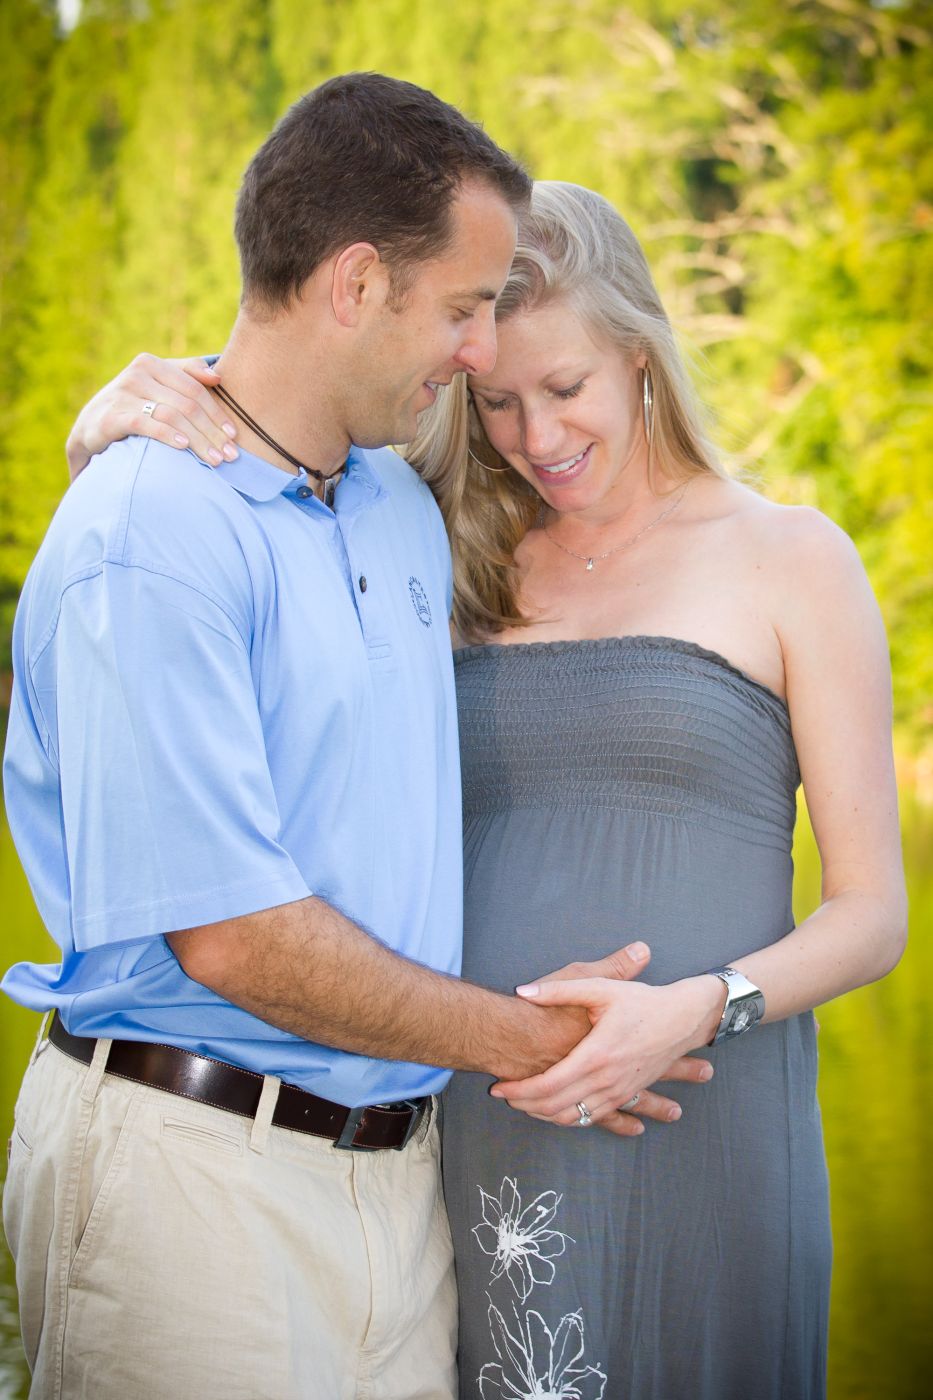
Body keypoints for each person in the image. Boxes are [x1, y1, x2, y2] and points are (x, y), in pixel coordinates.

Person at [72, 180, 907, 1399]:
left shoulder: (790, 555)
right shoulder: (440, 542)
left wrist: (696, 1008)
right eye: (496, 399)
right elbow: (284, 423)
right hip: (494, 1107)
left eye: (565, 388)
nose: (535, 434)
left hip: (704, 1103)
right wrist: (123, 409)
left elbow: (872, 911)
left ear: (639, 353)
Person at [2, 81, 710, 1400]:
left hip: (399, 1190)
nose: (481, 350)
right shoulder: (149, 534)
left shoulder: (391, 496)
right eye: (462, 307)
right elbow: (238, 936)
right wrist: (542, 1044)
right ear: (354, 284)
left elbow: (601, 485)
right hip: (190, 1186)